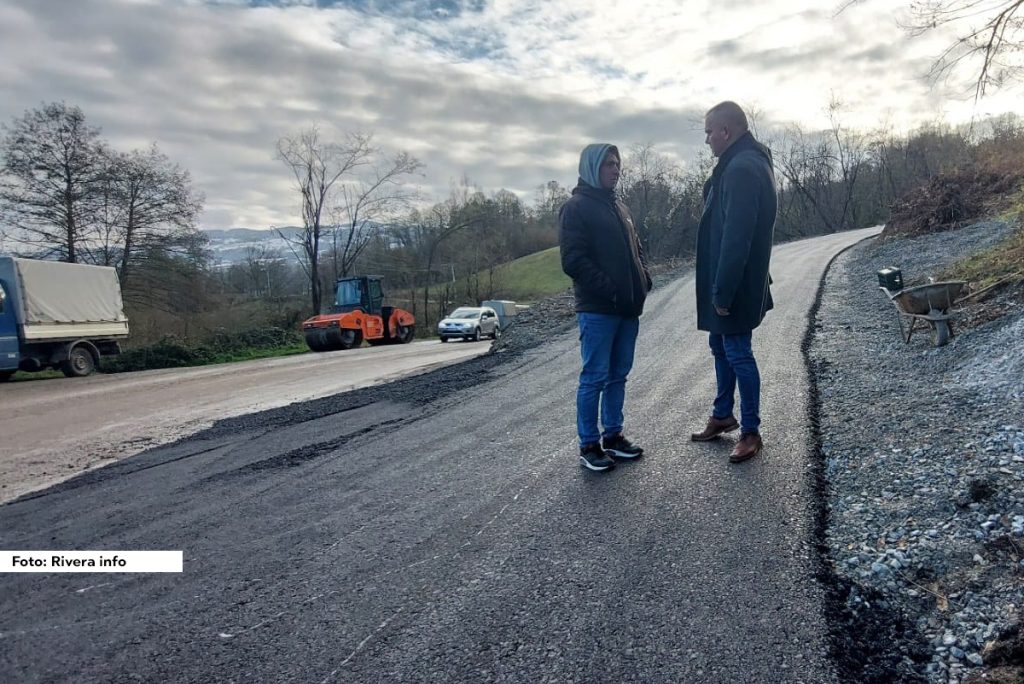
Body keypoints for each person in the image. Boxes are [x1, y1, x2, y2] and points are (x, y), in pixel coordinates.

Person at [690, 101, 777, 463]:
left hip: (735, 284)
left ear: (726, 131)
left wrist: (723, 291)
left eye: (710, 131)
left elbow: (737, 237)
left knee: (738, 352)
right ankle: (722, 414)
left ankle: (751, 431)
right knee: (720, 345)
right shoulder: (737, 164)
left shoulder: (742, 168)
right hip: (727, 281)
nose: (707, 139)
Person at [559, 144, 653, 472]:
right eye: (609, 164)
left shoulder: (621, 207)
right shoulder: (576, 207)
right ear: (592, 167)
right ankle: (589, 444)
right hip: (599, 310)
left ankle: (614, 436)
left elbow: (637, 249)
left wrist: (644, 279)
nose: (616, 170)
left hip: (628, 309)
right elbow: (573, 260)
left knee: (618, 375)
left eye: (618, 164)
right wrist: (611, 290)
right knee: (594, 376)